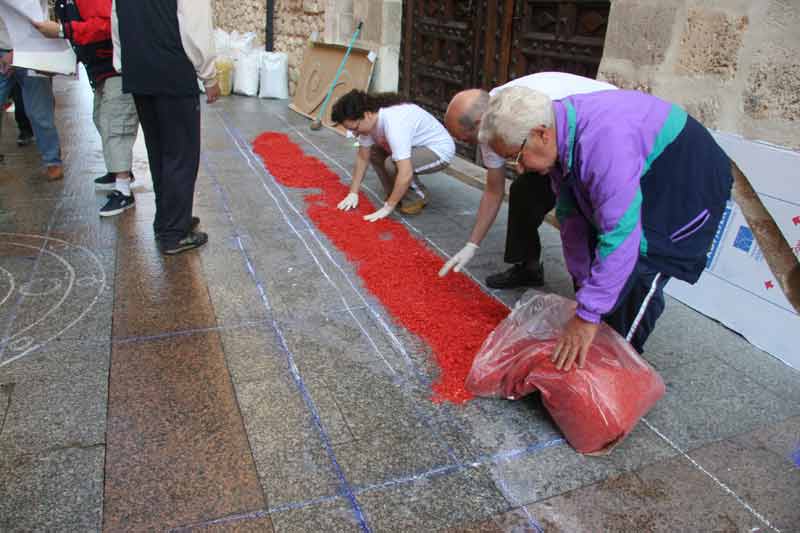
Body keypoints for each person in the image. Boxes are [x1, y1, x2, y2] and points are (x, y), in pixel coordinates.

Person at [478, 86, 732, 370]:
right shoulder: (561, 132)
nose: (519, 168)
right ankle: (592, 349)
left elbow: (620, 235)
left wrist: (588, 316)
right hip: (638, 168)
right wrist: (583, 287)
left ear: (541, 134)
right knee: (599, 275)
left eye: (517, 156)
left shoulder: (604, 144)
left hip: (686, 183)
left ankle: (618, 374)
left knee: (642, 267)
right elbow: (571, 216)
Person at [439, 72, 616, 286]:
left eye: (464, 139)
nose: (519, 167)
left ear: (478, 123)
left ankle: (596, 287)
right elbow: (494, 190)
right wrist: (472, 245)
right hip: (556, 145)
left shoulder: (532, 105)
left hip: (598, 136)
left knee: (582, 209)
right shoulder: (489, 125)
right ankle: (528, 267)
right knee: (523, 190)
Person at [111, 0, 220, 254]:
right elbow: (195, 27)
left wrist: (123, 64)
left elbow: (116, 20)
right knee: (181, 154)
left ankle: (168, 219)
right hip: (172, 69)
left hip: (139, 70)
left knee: (159, 152)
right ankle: (174, 233)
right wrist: (209, 75)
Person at [34, 0, 139, 216]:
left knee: (114, 124)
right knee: (101, 118)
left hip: (117, 68)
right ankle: (119, 169)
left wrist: (64, 30)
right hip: (104, 69)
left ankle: (123, 190)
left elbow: (106, 25)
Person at [330, 89, 455, 221]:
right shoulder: (370, 121)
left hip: (438, 150)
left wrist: (388, 207)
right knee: (373, 151)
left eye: (355, 129)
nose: (354, 134)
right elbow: (362, 157)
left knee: (392, 164)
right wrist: (353, 192)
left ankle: (417, 197)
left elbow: (405, 172)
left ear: (367, 115)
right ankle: (396, 193)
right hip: (415, 146)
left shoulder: (394, 123)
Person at [0, 1, 63, 181]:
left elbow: (36, 16)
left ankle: (52, 161)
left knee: (40, 112)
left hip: (33, 47)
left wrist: (17, 51)